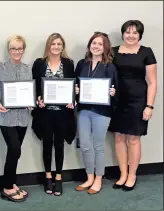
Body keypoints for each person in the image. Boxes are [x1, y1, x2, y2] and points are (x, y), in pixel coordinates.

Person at [109, 20, 157, 191]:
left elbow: (152, 82)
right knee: (119, 137)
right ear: (122, 33)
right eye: (127, 32)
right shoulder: (113, 51)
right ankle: (123, 174)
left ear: (140, 35)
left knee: (133, 139)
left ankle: (132, 175)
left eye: (135, 32)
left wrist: (149, 106)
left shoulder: (146, 52)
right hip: (117, 101)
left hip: (138, 102)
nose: (130, 35)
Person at [31, 33, 77, 196]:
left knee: (59, 144)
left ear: (63, 46)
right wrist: (37, 100)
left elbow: (74, 87)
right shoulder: (39, 64)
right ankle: (48, 177)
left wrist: (73, 99)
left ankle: (58, 177)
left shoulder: (69, 64)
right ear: (48, 46)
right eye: (53, 44)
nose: (56, 47)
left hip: (63, 113)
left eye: (59, 44)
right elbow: (35, 86)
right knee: (47, 144)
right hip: (45, 113)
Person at [0, 35, 31, 202]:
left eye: (20, 48)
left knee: (15, 153)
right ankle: (7, 187)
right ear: (9, 50)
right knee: (15, 149)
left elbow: (30, 91)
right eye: (14, 48)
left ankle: (12, 183)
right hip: (5, 117)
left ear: (24, 50)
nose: (17, 51)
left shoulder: (27, 68)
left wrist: (31, 101)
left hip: (23, 118)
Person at [74, 32, 118, 194]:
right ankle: (90, 177)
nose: (96, 46)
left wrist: (113, 93)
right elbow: (76, 85)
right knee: (85, 145)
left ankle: (99, 179)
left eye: (100, 44)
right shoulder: (82, 64)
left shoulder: (110, 66)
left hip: (102, 111)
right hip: (84, 110)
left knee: (98, 146)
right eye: (94, 43)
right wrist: (76, 90)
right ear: (89, 45)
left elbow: (115, 89)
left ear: (105, 47)